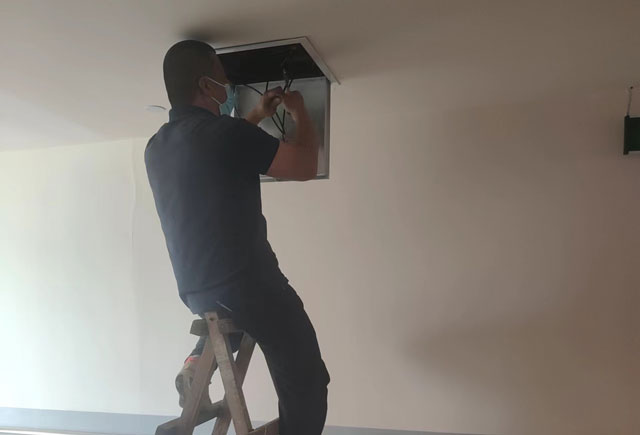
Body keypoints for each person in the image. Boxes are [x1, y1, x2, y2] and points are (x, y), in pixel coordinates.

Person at [144, 40, 330, 435]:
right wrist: (300, 112)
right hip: (250, 285)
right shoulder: (224, 135)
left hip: (196, 290)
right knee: (308, 380)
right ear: (205, 85)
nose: (226, 86)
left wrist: (256, 115)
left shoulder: (157, 146)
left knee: (234, 321)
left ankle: (196, 363)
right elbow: (304, 165)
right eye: (222, 79)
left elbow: (220, 146)